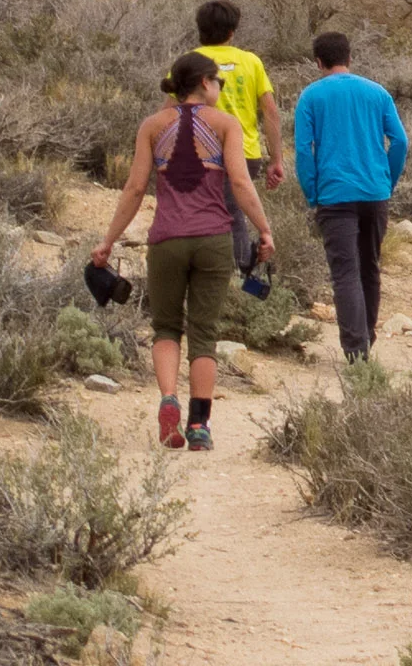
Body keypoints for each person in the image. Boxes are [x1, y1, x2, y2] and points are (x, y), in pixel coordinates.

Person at [93, 51, 276, 450]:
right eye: (219, 83)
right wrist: (264, 230)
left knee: (166, 328)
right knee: (204, 334)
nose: (220, 89)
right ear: (205, 83)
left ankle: (168, 401)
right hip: (213, 239)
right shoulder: (225, 124)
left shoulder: (153, 127)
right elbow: (242, 186)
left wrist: (108, 240)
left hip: (166, 240)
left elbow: (135, 189)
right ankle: (198, 426)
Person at [293, 30, 408, 363]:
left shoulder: (311, 96)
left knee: (345, 272)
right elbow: (399, 142)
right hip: (374, 193)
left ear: (318, 62)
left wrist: (312, 191)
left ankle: (356, 350)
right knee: (369, 266)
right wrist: (387, 180)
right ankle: (366, 339)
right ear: (349, 58)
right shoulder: (377, 92)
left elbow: (303, 150)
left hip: (333, 195)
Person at [191, 0, 284, 274]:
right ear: (232, 31)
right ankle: (235, 276)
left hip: (201, 154)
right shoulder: (250, 62)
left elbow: (170, 112)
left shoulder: (190, 62)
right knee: (232, 213)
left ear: (200, 28)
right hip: (246, 152)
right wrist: (276, 158)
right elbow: (269, 111)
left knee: (219, 215)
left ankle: (239, 278)